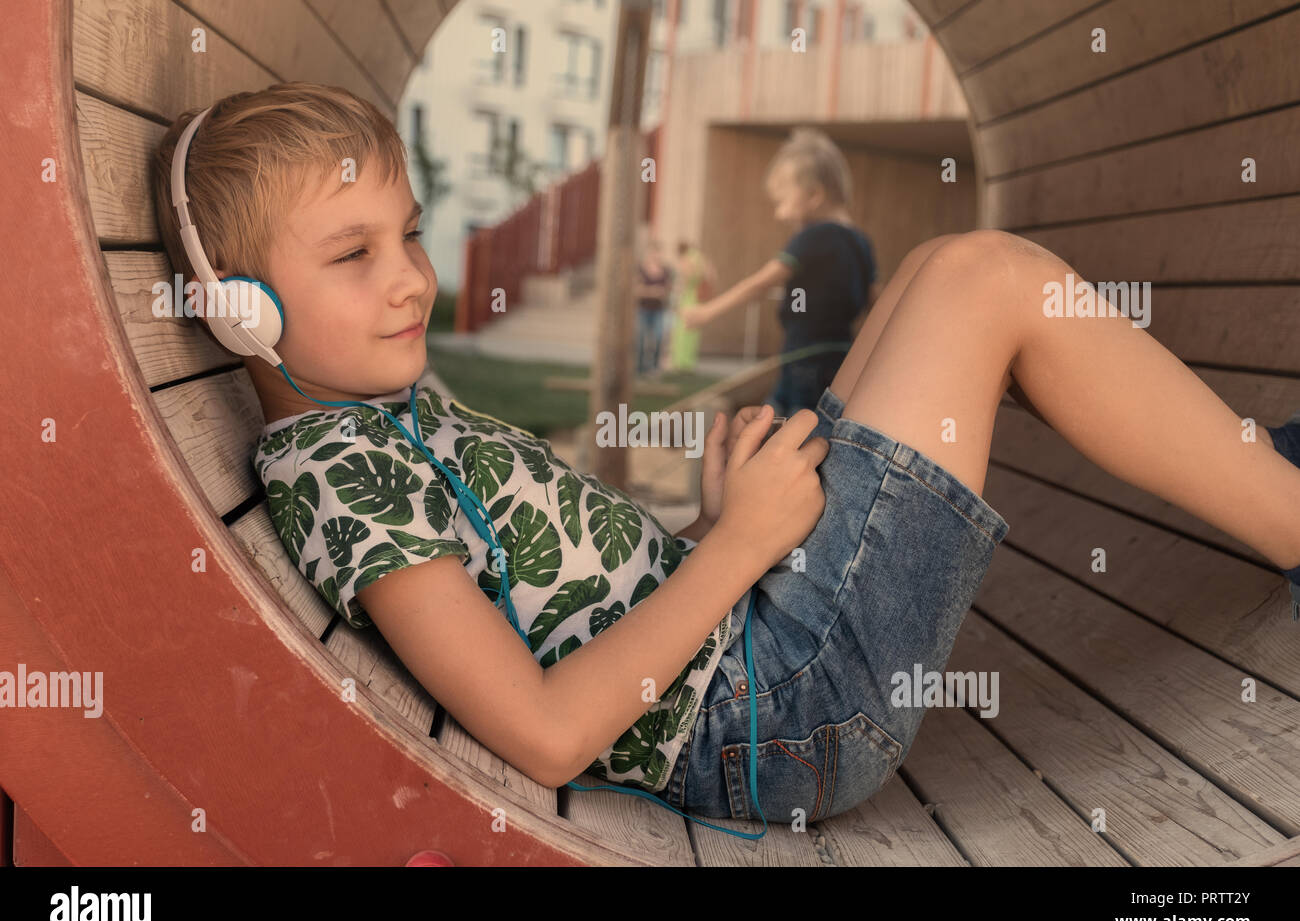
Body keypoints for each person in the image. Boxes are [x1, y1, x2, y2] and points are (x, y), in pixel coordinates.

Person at [151, 82, 1300, 828]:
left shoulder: (373, 429)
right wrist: (739, 547)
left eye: (405, 232)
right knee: (982, 279)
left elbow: (561, 608)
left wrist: (710, 535)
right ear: (241, 310)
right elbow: (547, 728)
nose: (408, 273)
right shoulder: (337, 478)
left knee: (929, 274)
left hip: (750, 648)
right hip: (775, 715)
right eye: (352, 254)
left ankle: (1263, 475)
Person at [681, 127, 878, 416]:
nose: (778, 214)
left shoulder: (814, 237)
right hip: (842, 357)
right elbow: (876, 301)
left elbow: (759, 283)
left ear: (813, 195)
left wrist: (706, 313)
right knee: (816, 421)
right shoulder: (861, 241)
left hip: (803, 356)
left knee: (787, 423)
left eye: (782, 202)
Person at [667, 239, 716, 373]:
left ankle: (681, 362)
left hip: (689, 296)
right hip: (697, 297)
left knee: (683, 329)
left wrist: (682, 285)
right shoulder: (700, 257)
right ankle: (689, 361)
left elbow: (688, 276)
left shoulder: (687, 258)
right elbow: (710, 273)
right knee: (693, 331)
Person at [633, 238, 673, 376]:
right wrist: (652, 291)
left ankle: (655, 368)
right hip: (643, 309)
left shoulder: (666, 270)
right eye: (652, 252)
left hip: (659, 310)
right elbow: (636, 289)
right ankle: (639, 368)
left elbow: (668, 290)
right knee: (641, 339)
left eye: (657, 252)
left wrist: (661, 293)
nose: (655, 255)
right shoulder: (641, 269)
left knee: (658, 338)